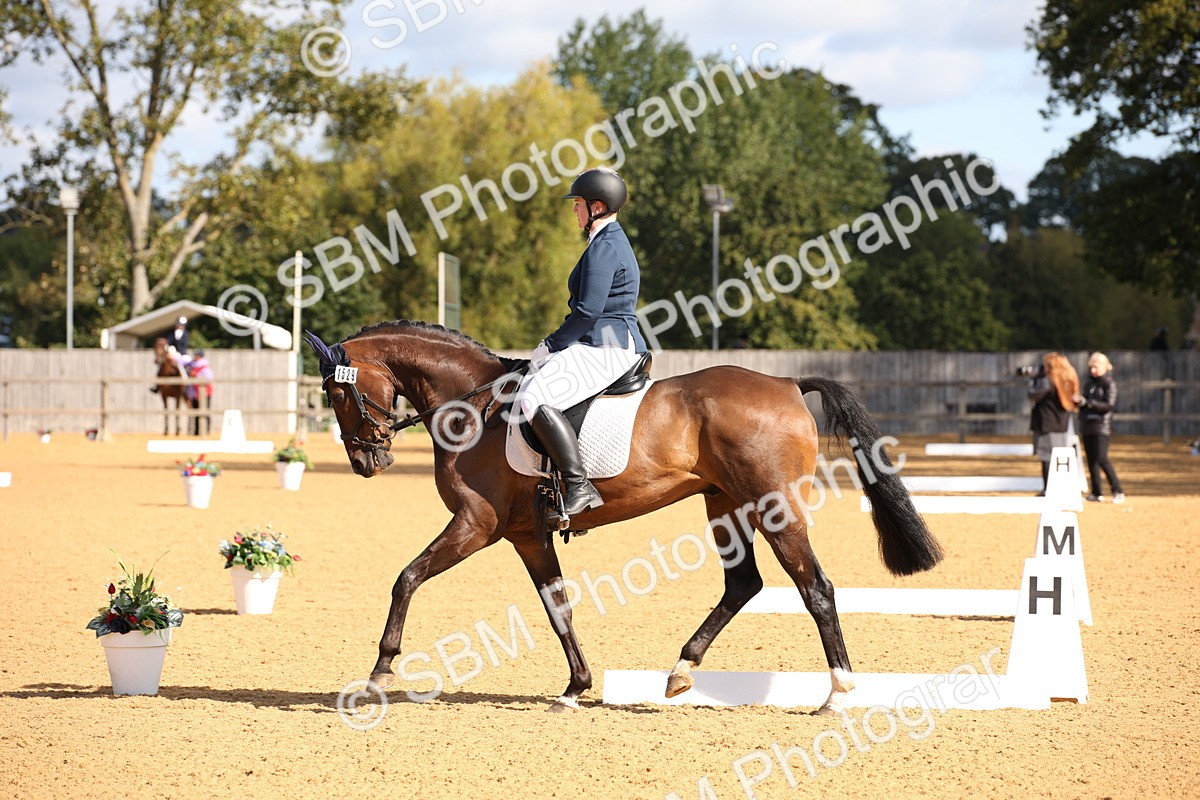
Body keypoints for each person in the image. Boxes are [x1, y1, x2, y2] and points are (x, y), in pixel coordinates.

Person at [516, 167, 648, 518]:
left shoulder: (605, 247)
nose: (574, 210)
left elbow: (588, 312)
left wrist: (551, 344)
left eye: (578, 204)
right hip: (598, 342)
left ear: (597, 206)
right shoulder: (604, 242)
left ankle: (578, 486)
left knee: (532, 398)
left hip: (605, 344)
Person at [1073, 352, 1125, 503]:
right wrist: (1079, 403)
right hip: (1087, 425)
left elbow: (1108, 405)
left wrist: (1088, 403)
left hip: (1102, 427)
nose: (1093, 371)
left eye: (1095, 367)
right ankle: (1096, 492)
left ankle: (1117, 490)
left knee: (1102, 458)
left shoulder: (1109, 384)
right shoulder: (1089, 384)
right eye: (1091, 367)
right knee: (1091, 461)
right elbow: (1085, 403)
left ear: (1104, 367)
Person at [1027, 351, 1080, 493]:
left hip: (1046, 423)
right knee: (1059, 457)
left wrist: (1033, 380)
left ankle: (1048, 489)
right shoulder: (1067, 380)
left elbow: (1033, 394)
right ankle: (1059, 488)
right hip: (1061, 424)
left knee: (1046, 456)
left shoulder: (1047, 381)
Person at [186, 349, 214, 436]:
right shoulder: (192, 364)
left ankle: (206, 429)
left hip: (204, 392)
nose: (195, 357)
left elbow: (209, 377)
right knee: (195, 411)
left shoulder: (204, 366)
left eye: (196, 355)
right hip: (194, 391)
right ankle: (196, 430)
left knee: (205, 411)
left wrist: (196, 376)